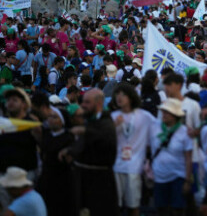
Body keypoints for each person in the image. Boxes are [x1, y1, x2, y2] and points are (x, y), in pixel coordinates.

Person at [58, 88, 118, 216]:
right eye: (83, 102)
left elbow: (105, 138)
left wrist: (85, 132)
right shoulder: (90, 120)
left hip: (100, 181)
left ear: (98, 104)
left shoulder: (106, 122)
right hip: (84, 178)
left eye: (87, 102)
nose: (83, 105)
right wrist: (70, 151)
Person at [111, 83, 156, 216]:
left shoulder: (144, 116)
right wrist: (113, 127)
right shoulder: (113, 117)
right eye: (117, 94)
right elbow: (105, 139)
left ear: (131, 97)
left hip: (134, 168)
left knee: (133, 206)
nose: (119, 97)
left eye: (123, 94)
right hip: (116, 166)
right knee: (115, 207)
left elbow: (158, 131)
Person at [150, 98, 193, 216]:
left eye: (167, 112)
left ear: (175, 115)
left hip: (177, 176)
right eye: (163, 111)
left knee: (177, 210)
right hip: (159, 176)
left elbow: (188, 157)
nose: (164, 114)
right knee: (161, 209)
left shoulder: (184, 132)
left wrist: (187, 180)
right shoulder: (155, 127)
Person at [39, 107, 75, 216]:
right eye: (49, 117)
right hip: (46, 178)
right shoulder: (46, 135)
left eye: (54, 117)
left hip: (63, 181)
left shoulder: (69, 137)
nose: (50, 119)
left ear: (62, 121)